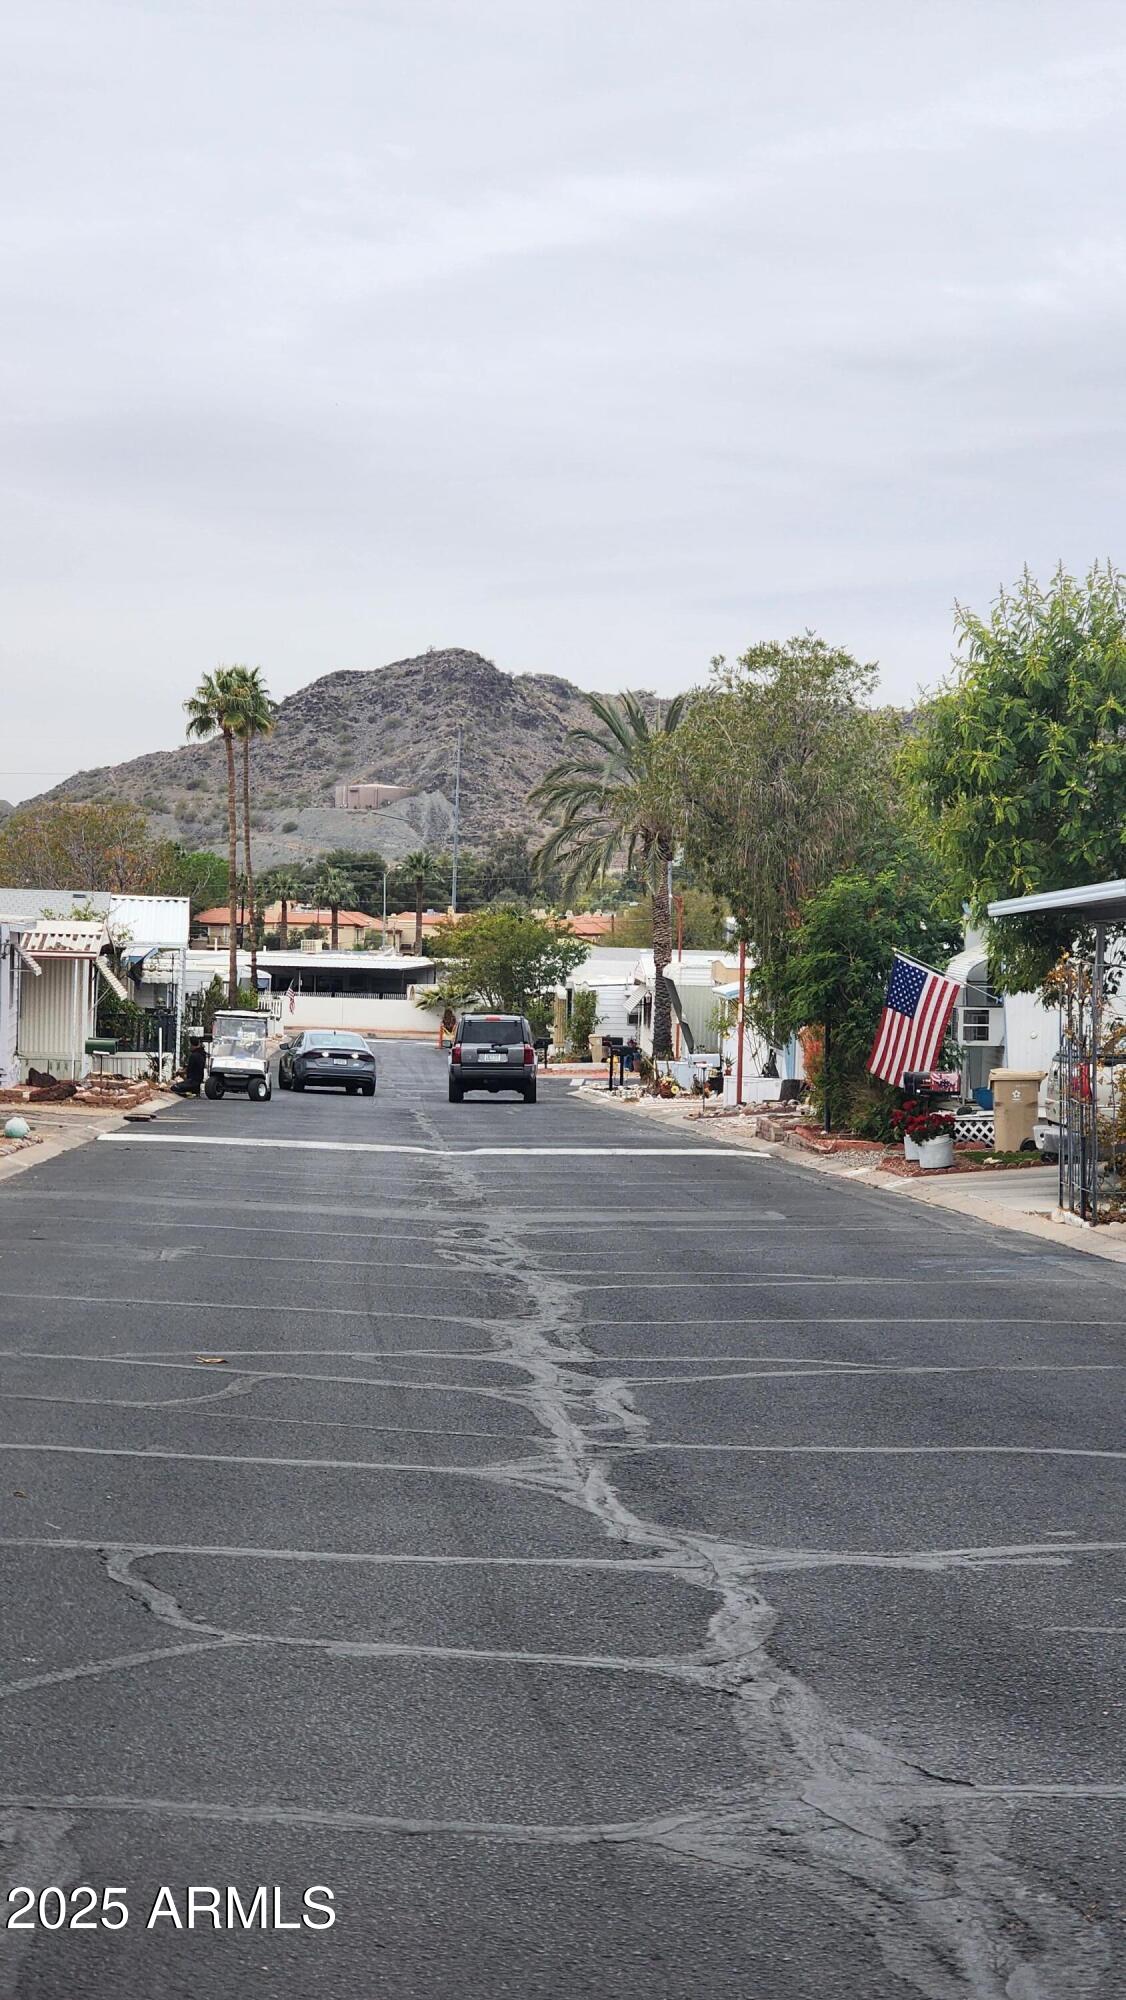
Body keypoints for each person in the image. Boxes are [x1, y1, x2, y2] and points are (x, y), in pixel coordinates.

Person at [171, 1032, 207, 1098]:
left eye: (190, 1045)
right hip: (198, 1082)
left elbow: (189, 1070)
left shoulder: (194, 1056)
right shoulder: (203, 1054)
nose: (189, 1047)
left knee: (174, 1087)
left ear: (192, 1045)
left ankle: (187, 1093)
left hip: (192, 1082)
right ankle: (194, 1092)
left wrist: (180, 1072)